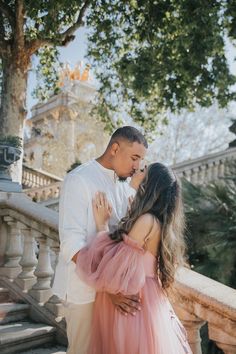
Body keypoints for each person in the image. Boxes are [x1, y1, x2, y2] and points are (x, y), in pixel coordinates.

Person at [76, 162, 193, 354]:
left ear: (150, 183)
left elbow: (114, 266)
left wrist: (102, 227)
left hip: (134, 294)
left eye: (143, 170)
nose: (136, 169)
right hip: (142, 291)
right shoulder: (152, 219)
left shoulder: (146, 220)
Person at [52, 126, 148, 354]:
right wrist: (108, 288)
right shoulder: (79, 179)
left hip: (112, 292)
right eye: (134, 157)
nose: (137, 166)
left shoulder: (124, 188)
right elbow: (71, 245)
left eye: (141, 160)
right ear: (115, 148)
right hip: (82, 291)